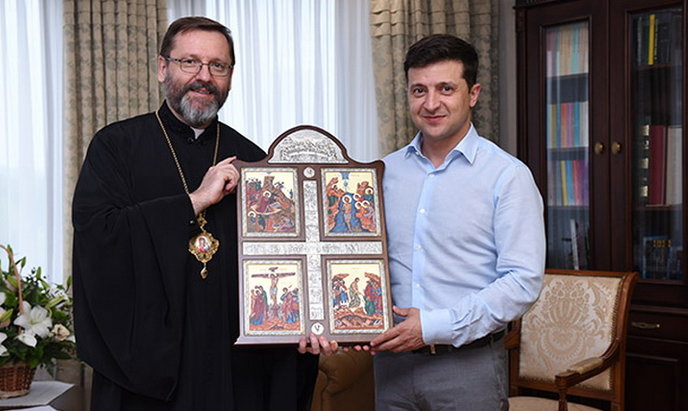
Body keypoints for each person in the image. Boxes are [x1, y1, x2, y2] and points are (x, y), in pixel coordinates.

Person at [72, 16, 333, 411]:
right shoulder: (115, 146)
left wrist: (313, 319)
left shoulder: (252, 160)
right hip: (151, 367)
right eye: (189, 62)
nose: (204, 77)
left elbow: (286, 257)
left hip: (234, 364)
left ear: (230, 76)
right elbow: (98, 236)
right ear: (163, 68)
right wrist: (193, 201)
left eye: (218, 66)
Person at [367, 34, 546, 410]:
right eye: (419, 90)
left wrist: (433, 327)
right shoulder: (382, 173)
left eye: (446, 88)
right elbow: (358, 260)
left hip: (469, 368)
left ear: (473, 93)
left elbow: (521, 282)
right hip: (390, 367)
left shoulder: (507, 176)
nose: (431, 103)